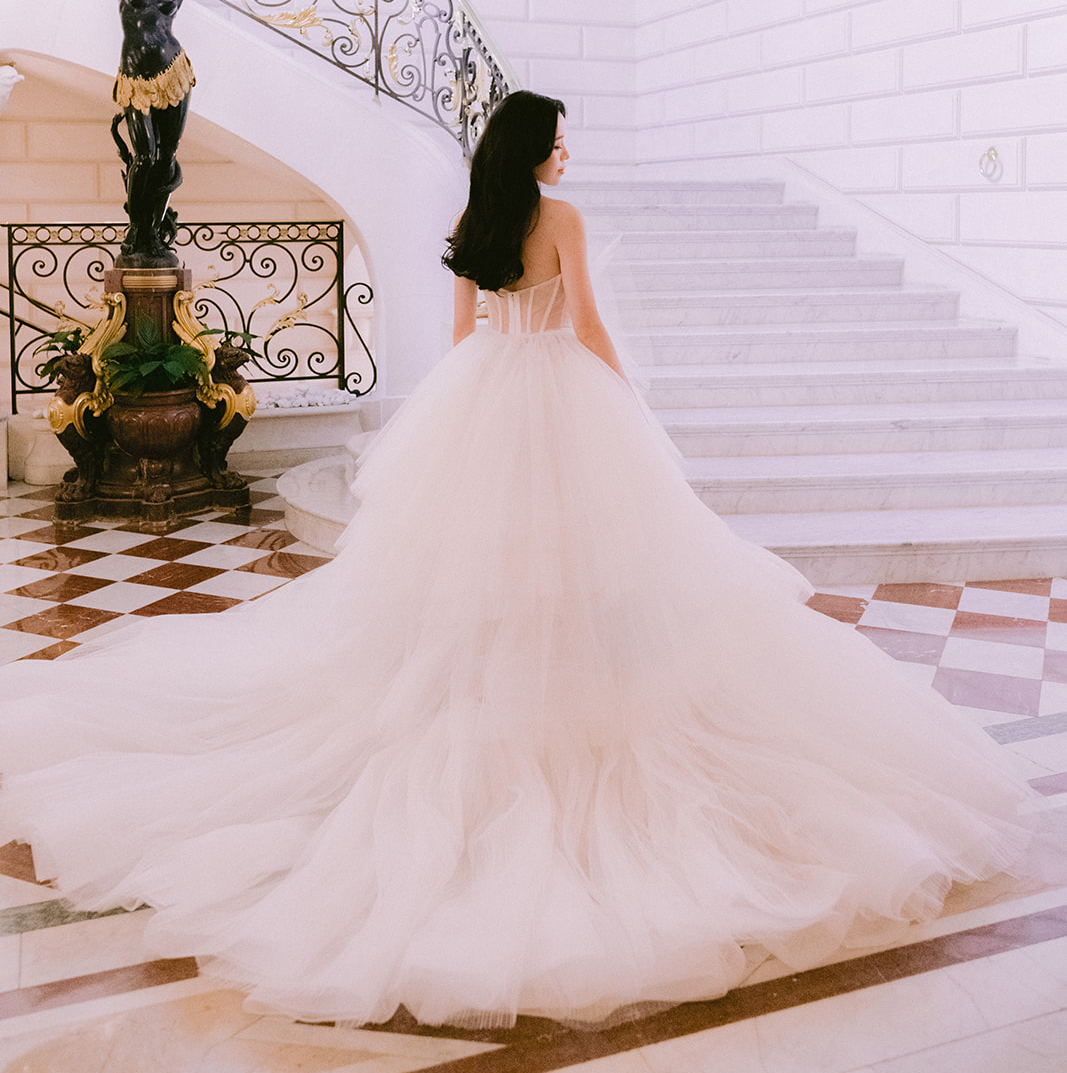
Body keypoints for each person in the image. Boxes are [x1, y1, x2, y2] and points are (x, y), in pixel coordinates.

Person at [0, 90, 1034, 1030]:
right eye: (559, 138)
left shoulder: (470, 225)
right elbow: (582, 325)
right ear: (534, 149)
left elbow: (465, 334)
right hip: (555, 390)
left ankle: (506, 671)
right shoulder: (562, 220)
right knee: (595, 563)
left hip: (486, 389)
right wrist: (627, 402)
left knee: (483, 571)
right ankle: (573, 678)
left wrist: (477, 414)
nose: (568, 151)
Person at [102, 0, 222, 264]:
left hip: (173, 73)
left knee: (167, 155)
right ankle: (138, 228)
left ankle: (153, 231)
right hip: (137, 77)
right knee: (145, 155)